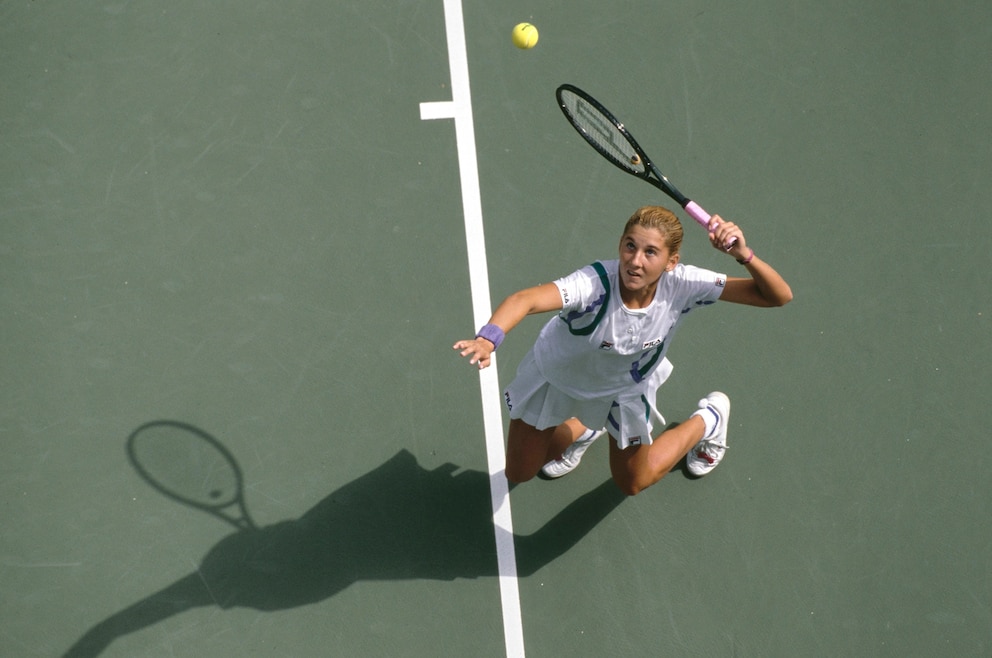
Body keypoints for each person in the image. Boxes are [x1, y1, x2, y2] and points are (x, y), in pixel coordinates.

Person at [454, 206, 792, 495]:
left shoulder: (684, 285)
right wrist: (488, 338)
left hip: (623, 393)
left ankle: (709, 420)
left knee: (633, 482)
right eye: (630, 246)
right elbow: (524, 300)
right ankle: (587, 428)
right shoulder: (593, 284)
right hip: (557, 380)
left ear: (671, 261)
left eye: (650, 253)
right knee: (520, 472)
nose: (635, 261)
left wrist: (743, 256)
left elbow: (777, 296)